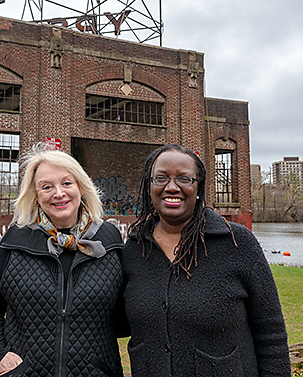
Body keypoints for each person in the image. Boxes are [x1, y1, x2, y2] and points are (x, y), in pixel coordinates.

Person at [122, 144, 291, 377]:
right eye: (160, 178)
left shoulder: (237, 243)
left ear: (198, 186)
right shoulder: (134, 248)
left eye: (184, 179)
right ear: (149, 186)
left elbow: (271, 334)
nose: (172, 187)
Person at [0, 144, 126, 377]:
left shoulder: (109, 238)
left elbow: (126, 315)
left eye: (67, 183)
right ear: (36, 195)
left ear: (81, 187)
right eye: (46, 186)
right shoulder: (16, 238)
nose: (59, 193)